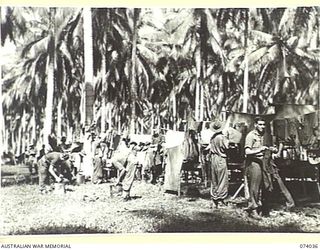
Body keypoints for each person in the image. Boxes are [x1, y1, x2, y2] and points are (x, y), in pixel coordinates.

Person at [244, 117, 272, 219]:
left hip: (262, 163)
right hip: (253, 163)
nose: (262, 126)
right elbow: (247, 152)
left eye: (264, 124)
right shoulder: (251, 136)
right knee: (254, 187)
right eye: (260, 124)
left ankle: (261, 208)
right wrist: (260, 149)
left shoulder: (263, 136)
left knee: (265, 186)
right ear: (255, 125)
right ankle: (253, 210)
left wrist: (270, 149)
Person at [208, 119, 229, 208]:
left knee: (214, 179)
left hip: (213, 158)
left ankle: (214, 199)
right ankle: (220, 200)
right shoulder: (222, 137)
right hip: (221, 158)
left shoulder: (212, 137)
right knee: (222, 179)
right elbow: (227, 147)